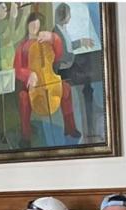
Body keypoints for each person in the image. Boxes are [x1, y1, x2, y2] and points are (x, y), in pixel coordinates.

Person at [13, 12, 81, 147]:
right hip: (31, 85)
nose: (34, 28)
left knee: (66, 89)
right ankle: (26, 135)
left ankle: (70, 127)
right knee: (23, 98)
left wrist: (53, 37)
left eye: (37, 26)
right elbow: (17, 68)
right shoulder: (22, 46)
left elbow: (59, 53)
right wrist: (29, 74)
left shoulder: (46, 42)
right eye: (31, 25)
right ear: (27, 25)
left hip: (50, 79)